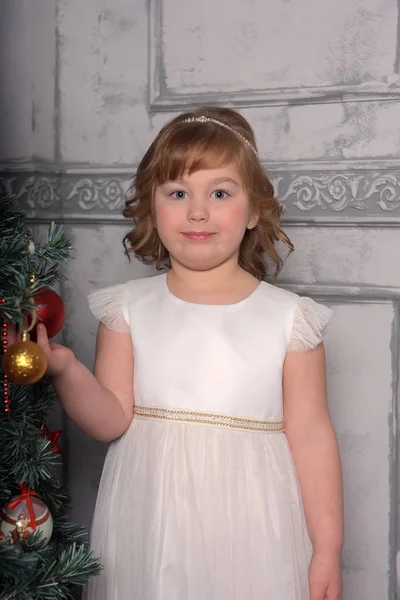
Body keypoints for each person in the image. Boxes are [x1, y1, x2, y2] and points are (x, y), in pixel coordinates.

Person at [35, 107, 343, 599]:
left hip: (252, 524)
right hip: (151, 518)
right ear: (153, 209)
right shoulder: (127, 309)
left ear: (254, 210)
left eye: (220, 193)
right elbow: (111, 420)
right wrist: (65, 367)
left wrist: (327, 549)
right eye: (178, 193)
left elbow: (311, 438)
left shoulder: (291, 319)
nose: (197, 211)